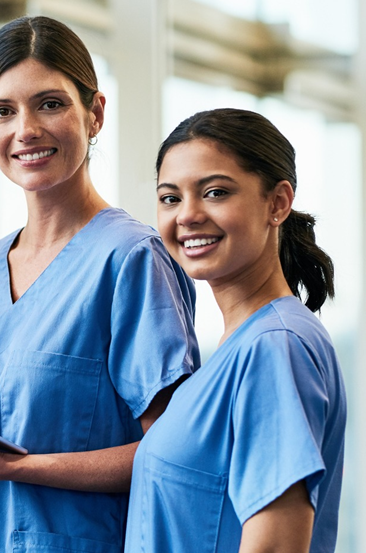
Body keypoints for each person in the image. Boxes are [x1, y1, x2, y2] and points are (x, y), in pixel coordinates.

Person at [0, 16, 200, 551]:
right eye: (4, 111)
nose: (26, 129)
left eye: (50, 104)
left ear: (94, 115)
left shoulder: (131, 261)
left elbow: (178, 452)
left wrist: (15, 467)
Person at [125, 108, 345, 552]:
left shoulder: (275, 347)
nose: (187, 215)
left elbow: (277, 546)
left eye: (215, 192)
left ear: (278, 203)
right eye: (171, 198)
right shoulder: (238, 348)